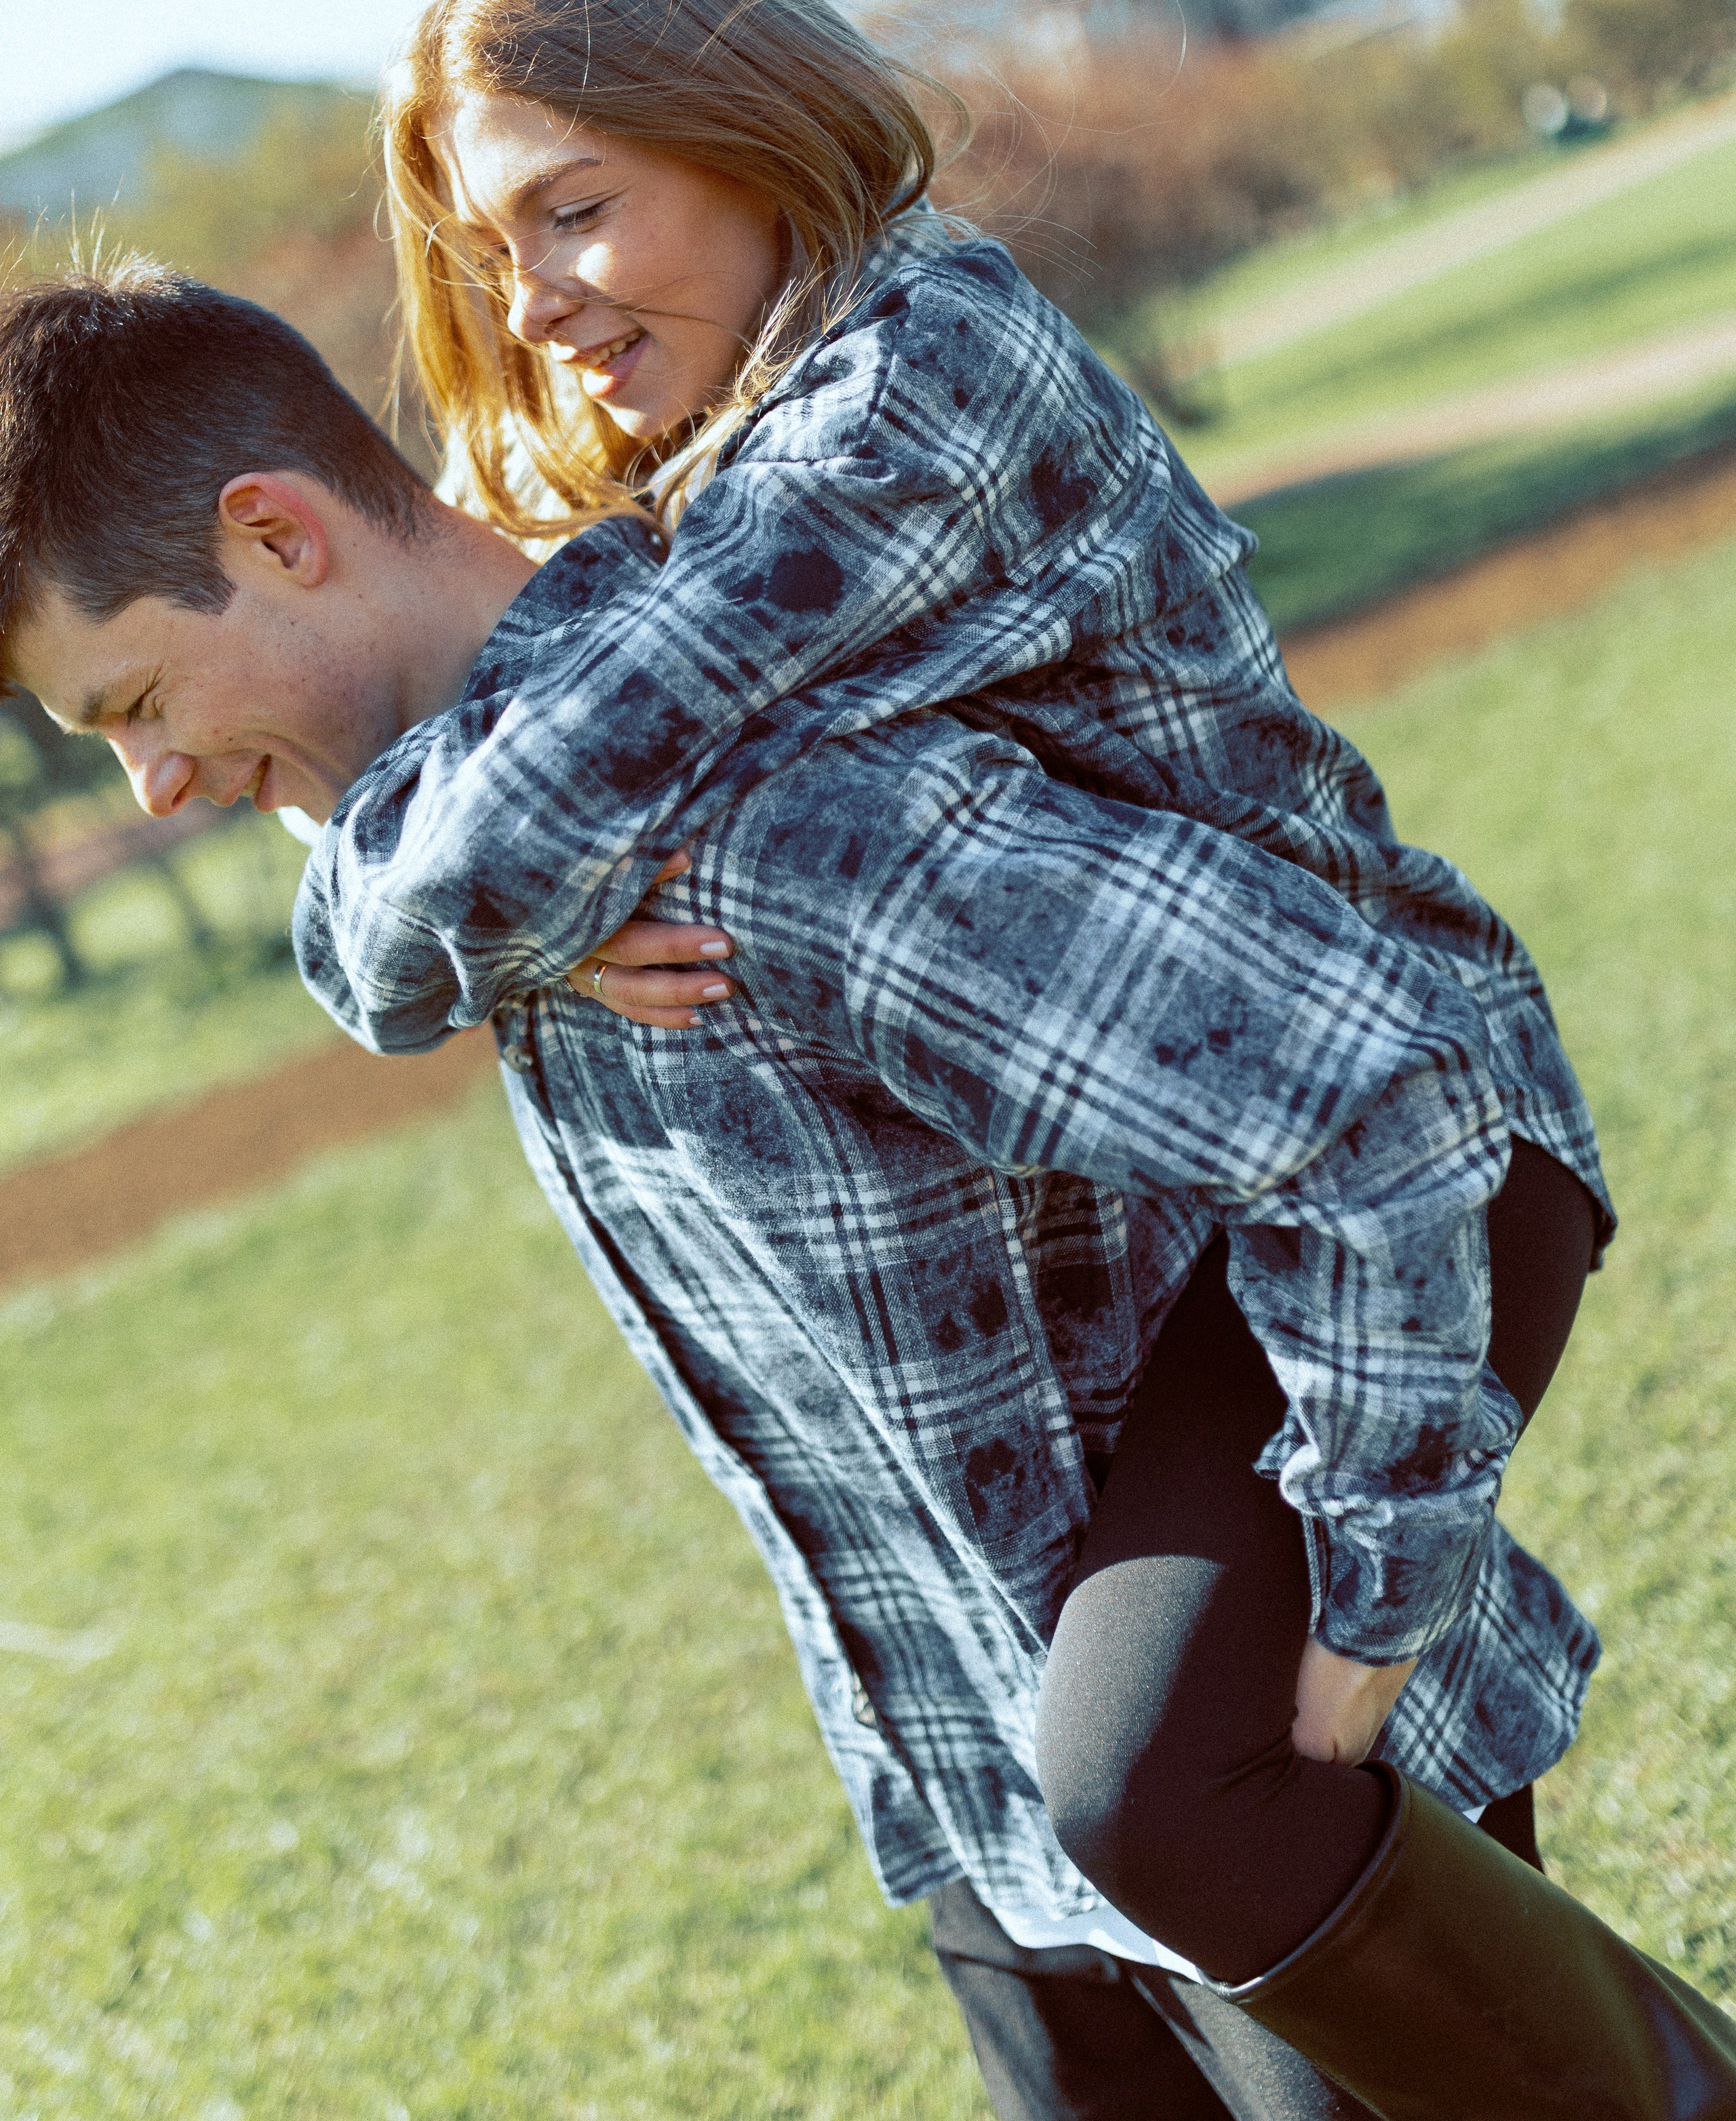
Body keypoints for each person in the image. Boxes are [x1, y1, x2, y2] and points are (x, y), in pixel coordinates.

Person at [5, 269, 1735, 2120]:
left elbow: (1367, 1082)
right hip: (978, 1811)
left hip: (1243, 1807)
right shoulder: (490, 873)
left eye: (140, 701)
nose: (158, 784)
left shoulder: (761, 825)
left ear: (275, 535)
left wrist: (1382, 1585)